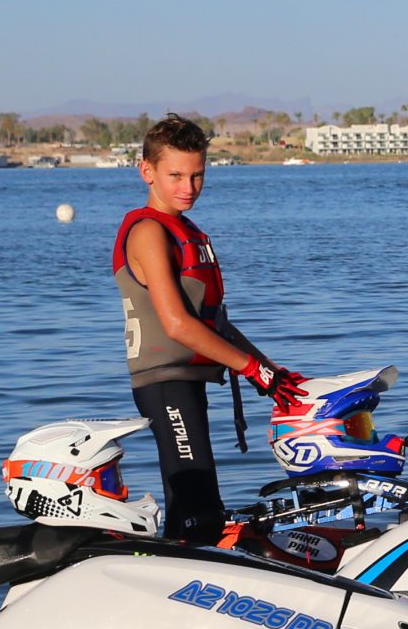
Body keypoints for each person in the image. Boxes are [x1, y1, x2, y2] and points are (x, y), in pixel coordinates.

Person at [113, 112, 307, 542]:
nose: (188, 187)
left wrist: (271, 374)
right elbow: (178, 324)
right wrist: (252, 369)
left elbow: (215, 323)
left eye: (198, 175)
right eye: (176, 175)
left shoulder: (187, 231)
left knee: (195, 507)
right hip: (164, 383)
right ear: (146, 171)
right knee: (198, 512)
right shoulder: (148, 231)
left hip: (189, 381)